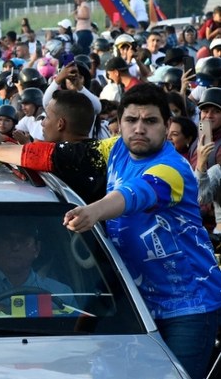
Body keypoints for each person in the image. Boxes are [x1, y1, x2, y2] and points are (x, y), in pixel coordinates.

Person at [63, 84, 221, 379]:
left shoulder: (173, 169)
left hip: (189, 308)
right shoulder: (116, 149)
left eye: (150, 121)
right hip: (136, 306)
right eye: (131, 120)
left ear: (167, 125)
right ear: (119, 122)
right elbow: (57, 156)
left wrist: (93, 211)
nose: (139, 128)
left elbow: (134, 194)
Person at [0, 224, 75, 313]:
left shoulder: (61, 292)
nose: (15, 247)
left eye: (23, 240)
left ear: (37, 249)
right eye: (7, 239)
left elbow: (78, 326)